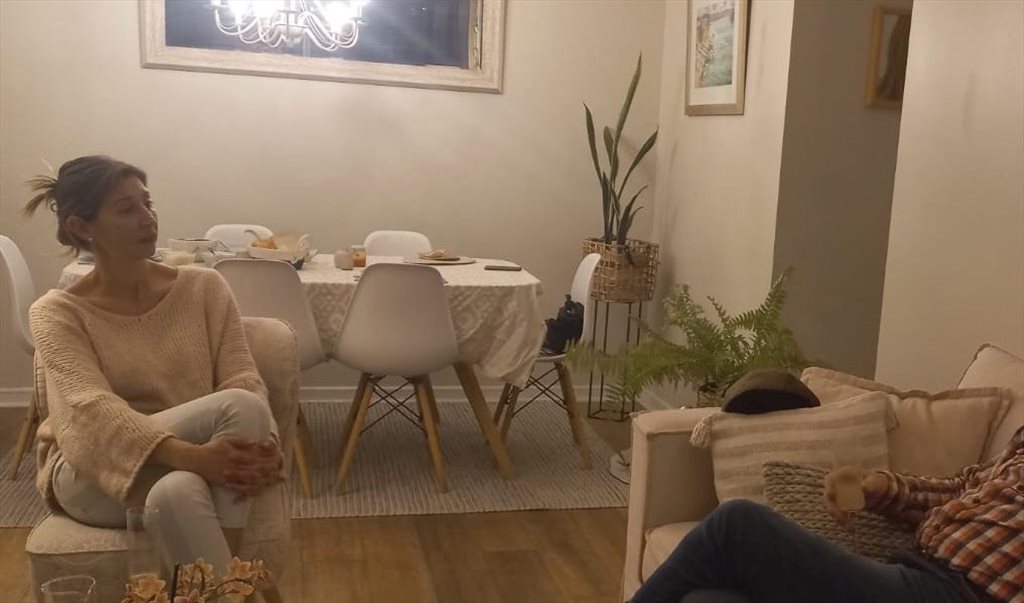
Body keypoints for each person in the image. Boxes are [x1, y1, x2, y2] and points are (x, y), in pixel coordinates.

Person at [24, 155, 283, 579]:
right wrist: (193, 458)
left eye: (148, 203)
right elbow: (91, 412)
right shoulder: (56, 313)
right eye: (127, 209)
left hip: (189, 457)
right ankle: (237, 587)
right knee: (230, 417)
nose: (148, 218)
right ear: (81, 226)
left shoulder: (204, 287)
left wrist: (263, 442)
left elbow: (242, 376)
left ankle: (223, 591)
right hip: (90, 471)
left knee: (183, 483)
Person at [632, 426, 1023, 603]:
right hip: (916, 571)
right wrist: (882, 488)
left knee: (737, 525)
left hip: (958, 594)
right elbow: (961, 487)